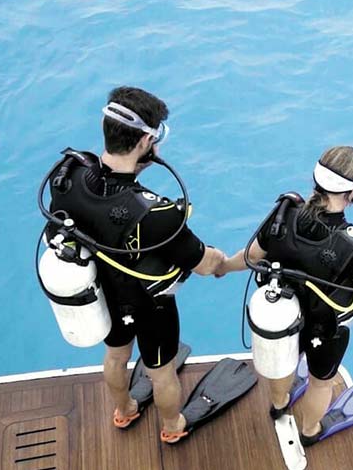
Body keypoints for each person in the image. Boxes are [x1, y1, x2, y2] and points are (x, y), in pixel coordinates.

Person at [43, 86, 232, 443]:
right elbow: (206, 264)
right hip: (149, 303)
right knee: (161, 373)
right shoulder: (156, 214)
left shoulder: (69, 174)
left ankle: (125, 410)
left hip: (99, 293)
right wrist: (228, 262)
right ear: (146, 140)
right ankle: (173, 426)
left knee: (116, 355)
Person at [220, 145, 353, 446]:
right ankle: (310, 430)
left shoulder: (284, 213)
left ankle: (279, 405)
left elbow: (251, 255)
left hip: (280, 317)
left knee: (282, 365)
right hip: (323, 329)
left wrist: (222, 266)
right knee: (320, 383)